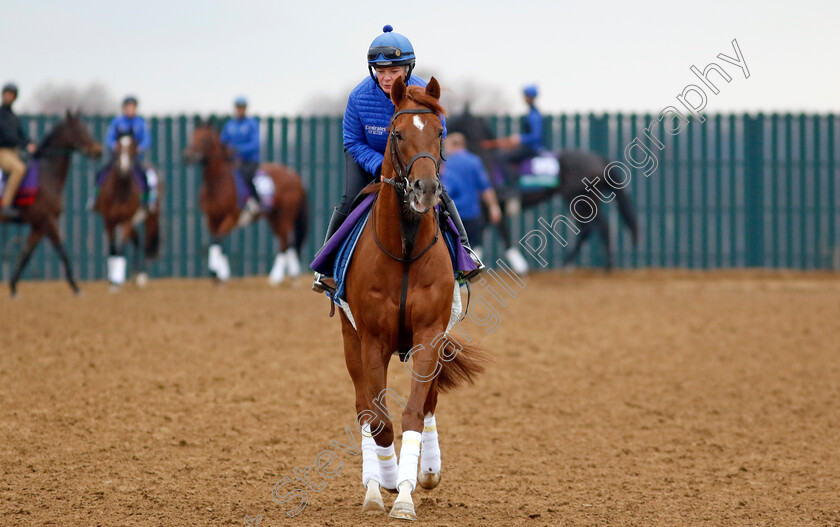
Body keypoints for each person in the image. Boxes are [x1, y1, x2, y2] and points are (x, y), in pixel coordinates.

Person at [312, 25, 485, 293]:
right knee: (349, 200)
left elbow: (438, 133)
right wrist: (381, 166)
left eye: (394, 71)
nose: (387, 78)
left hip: (413, 160)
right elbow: (353, 141)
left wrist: (420, 163)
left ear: (407, 70)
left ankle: (465, 256)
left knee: (441, 195)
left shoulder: (424, 93)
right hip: (367, 157)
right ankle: (326, 267)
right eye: (381, 72)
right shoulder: (358, 98)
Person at [440, 133, 502, 260]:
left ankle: (457, 275)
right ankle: (473, 270)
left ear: (451, 145)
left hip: (452, 214)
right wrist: (493, 207)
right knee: (475, 246)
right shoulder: (475, 161)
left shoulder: (446, 164)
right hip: (472, 213)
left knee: (452, 246)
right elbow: (485, 187)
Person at [96, 95, 157, 211]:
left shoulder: (140, 123)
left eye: (132, 107)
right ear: (123, 108)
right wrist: (113, 145)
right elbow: (110, 137)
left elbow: (146, 138)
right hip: (118, 157)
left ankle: (147, 201)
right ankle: (96, 199)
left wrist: (141, 147)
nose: (129, 109)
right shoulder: (117, 122)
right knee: (101, 174)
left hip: (134, 158)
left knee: (147, 176)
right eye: (127, 107)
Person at [483, 84, 544, 197]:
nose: (524, 98)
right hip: (528, 147)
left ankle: (511, 186)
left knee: (503, 158)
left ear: (530, 97)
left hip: (532, 149)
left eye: (525, 96)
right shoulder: (532, 112)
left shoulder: (534, 115)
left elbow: (536, 136)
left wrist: (520, 138)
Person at [220, 96, 261, 224]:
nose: (240, 110)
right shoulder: (229, 125)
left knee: (244, 176)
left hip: (249, 161)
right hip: (232, 162)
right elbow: (222, 142)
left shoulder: (251, 124)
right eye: (238, 108)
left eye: (242, 108)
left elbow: (256, 144)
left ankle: (254, 200)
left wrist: (238, 149)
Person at [0, 82, 37, 218]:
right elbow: (7, 136)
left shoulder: (13, 117)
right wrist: (23, 144)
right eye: (7, 94)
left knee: (31, 166)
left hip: (13, 152)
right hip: (2, 151)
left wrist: (30, 143)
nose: (8, 97)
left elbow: (21, 135)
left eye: (11, 95)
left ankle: (21, 200)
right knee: (18, 168)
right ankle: (6, 204)